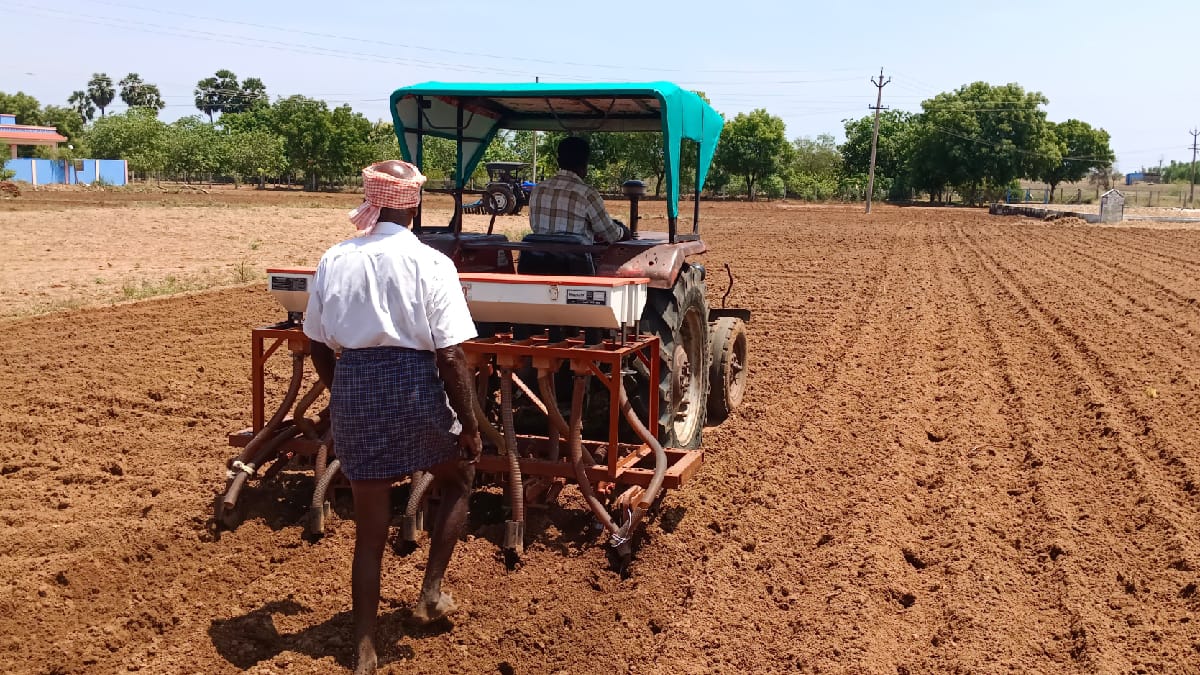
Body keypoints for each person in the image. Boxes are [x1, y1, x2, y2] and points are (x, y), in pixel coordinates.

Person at [303, 160, 482, 675]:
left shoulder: (334, 259)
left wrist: (344, 395)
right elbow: (450, 355)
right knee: (460, 476)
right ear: (415, 204)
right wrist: (469, 427)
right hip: (414, 387)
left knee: (369, 532)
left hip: (357, 385)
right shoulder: (430, 263)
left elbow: (316, 342)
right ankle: (430, 592)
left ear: (373, 201)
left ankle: (363, 648)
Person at [527, 136, 628, 244]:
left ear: (558, 161)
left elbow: (535, 227)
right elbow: (611, 235)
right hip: (575, 260)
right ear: (585, 163)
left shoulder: (538, 190)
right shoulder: (587, 194)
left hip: (538, 259)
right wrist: (623, 231)